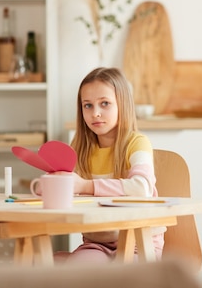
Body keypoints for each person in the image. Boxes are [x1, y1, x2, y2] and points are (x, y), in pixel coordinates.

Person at [54, 67, 164, 264]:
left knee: (124, 277)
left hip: (140, 242)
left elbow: (142, 188)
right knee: (75, 269)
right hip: (96, 243)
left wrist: (86, 186)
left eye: (104, 103)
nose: (95, 113)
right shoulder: (79, 149)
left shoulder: (137, 143)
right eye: (87, 106)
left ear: (122, 104)